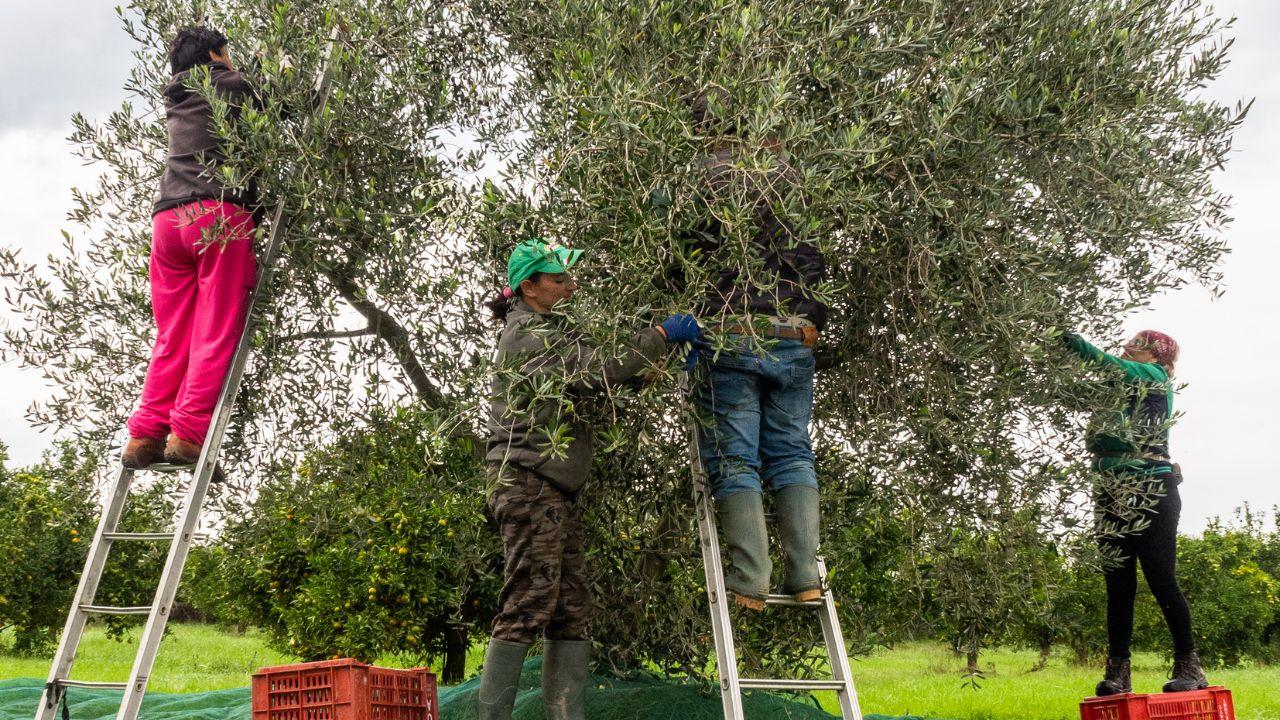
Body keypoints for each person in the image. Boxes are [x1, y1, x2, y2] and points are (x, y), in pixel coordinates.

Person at [477, 238, 700, 720]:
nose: (570, 287)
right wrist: (661, 333)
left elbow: (599, 381)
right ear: (529, 287)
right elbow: (597, 368)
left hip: (553, 488)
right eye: (559, 280)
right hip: (529, 480)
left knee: (570, 606)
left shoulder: (551, 331)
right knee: (528, 602)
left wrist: (656, 362)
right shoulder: (528, 334)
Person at [677, 92, 829, 611]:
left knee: (734, 456)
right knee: (791, 452)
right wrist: (811, 321)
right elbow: (813, 256)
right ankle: (806, 574)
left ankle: (750, 579)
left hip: (730, 333)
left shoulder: (697, 178)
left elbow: (675, 253)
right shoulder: (790, 175)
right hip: (793, 337)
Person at [121, 27, 260, 468]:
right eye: (227, 54)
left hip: (167, 223)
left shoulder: (175, 97)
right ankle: (188, 434)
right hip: (215, 216)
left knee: (172, 335)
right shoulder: (227, 82)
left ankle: (144, 436)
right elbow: (293, 102)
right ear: (216, 55)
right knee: (214, 330)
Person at [1062, 330, 1208, 695]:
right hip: (1111, 489)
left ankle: (1190, 668)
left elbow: (1106, 362)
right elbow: (1077, 391)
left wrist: (1071, 341)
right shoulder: (1118, 385)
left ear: (1156, 356)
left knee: (1161, 579)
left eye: (1138, 346)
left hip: (1152, 490)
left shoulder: (1155, 378)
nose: (1128, 348)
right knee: (1118, 584)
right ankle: (1118, 673)